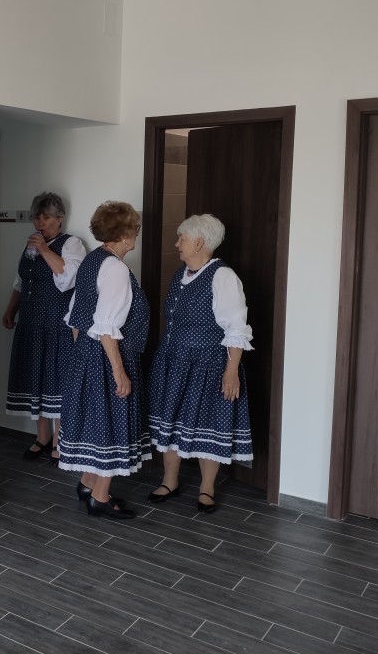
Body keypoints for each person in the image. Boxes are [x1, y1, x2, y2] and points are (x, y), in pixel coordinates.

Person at [146, 214, 253, 514]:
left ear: (199, 242)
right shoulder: (180, 274)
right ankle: (169, 481)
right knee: (170, 422)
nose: (177, 244)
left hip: (207, 365)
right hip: (173, 362)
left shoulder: (222, 277)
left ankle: (207, 488)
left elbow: (236, 329)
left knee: (208, 425)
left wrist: (231, 372)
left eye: (181, 238)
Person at [57, 201, 149, 519]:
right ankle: (100, 497)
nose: (137, 233)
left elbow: (75, 317)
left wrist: (83, 357)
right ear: (124, 234)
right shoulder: (116, 269)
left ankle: (87, 483)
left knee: (99, 423)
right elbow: (107, 328)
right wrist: (119, 372)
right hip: (107, 357)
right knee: (110, 425)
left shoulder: (93, 260)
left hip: (88, 354)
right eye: (135, 228)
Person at [2, 192, 86, 463]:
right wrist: (10, 309)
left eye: (46, 217)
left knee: (58, 382)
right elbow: (21, 281)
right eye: (37, 217)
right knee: (34, 378)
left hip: (56, 324)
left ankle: (60, 442)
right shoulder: (30, 245)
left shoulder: (71, 244)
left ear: (59, 219)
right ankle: (42, 437)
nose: (40, 222)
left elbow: (68, 278)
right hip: (30, 323)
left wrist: (45, 250)